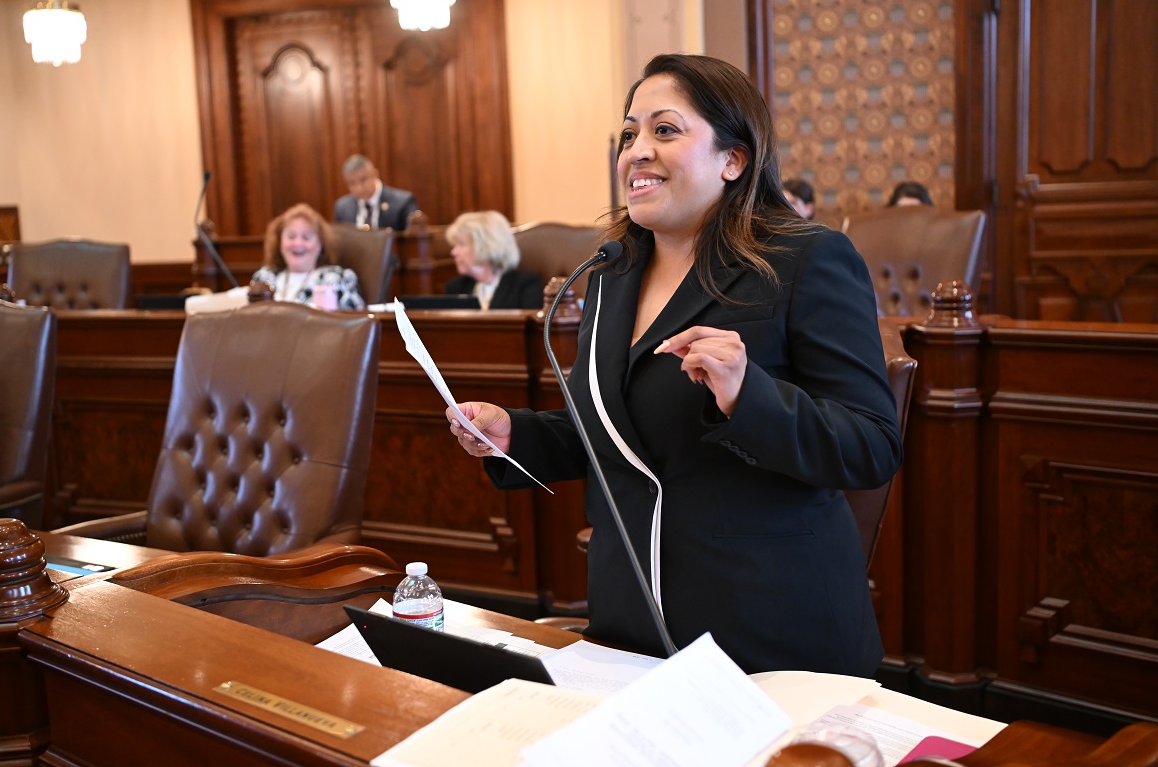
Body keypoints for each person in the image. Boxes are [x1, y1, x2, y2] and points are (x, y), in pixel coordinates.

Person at [444, 53, 901, 677]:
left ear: (733, 159)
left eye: (665, 130)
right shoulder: (611, 272)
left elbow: (870, 446)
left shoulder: (805, 259)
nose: (636, 151)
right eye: (629, 134)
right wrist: (513, 435)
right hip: (630, 626)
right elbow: (617, 433)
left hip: (767, 630)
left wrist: (748, 396)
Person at [252, 203, 365, 310]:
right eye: (291, 236)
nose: (298, 243)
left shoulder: (338, 279)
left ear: (320, 243)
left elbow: (358, 324)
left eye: (306, 237)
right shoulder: (264, 278)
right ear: (279, 242)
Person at [444, 211, 543, 309]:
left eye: (461, 244)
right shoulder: (456, 287)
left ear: (486, 245)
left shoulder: (526, 284)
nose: (453, 252)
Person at [333, 154, 419, 230]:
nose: (359, 188)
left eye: (363, 180)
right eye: (352, 183)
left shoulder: (402, 202)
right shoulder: (342, 207)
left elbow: (413, 242)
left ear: (375, 174)